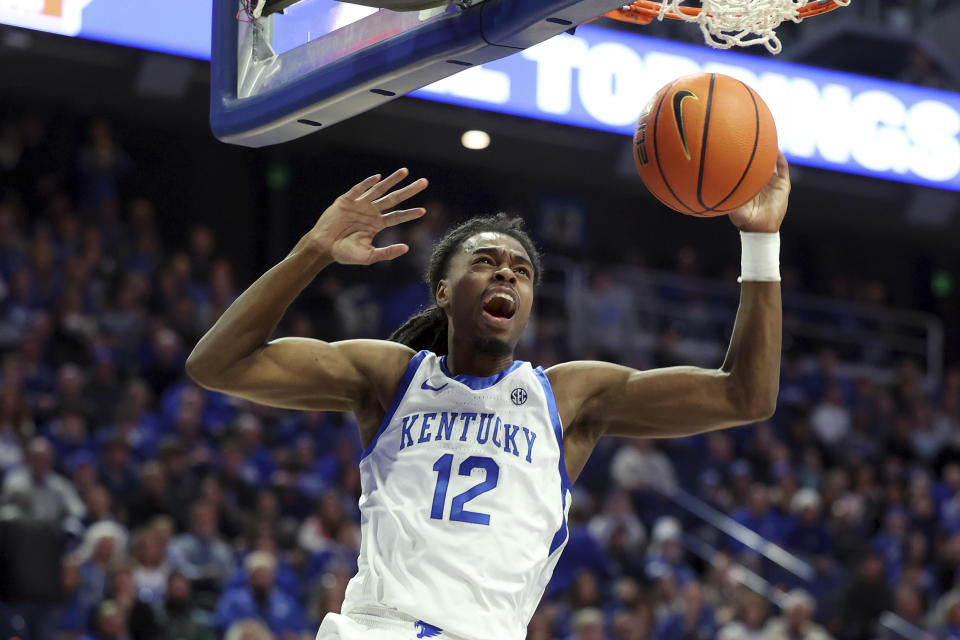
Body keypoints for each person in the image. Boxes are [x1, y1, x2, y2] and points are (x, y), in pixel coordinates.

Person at [187, 160, 790, 639]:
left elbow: (746, 395)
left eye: (521, 271)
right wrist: (313, 250)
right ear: (445, 290)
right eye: (486, 262)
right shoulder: (392, 377)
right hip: (379, 629)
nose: (507, 274)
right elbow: (218, 364)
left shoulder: (566, 397)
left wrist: (761, 244)